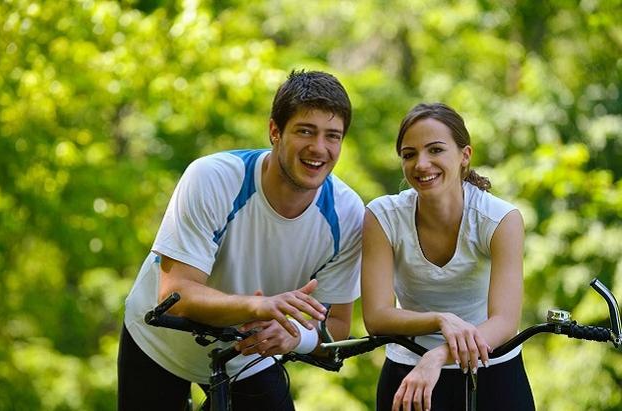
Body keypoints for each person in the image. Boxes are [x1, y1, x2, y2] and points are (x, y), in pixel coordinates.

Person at [118, 70, 364, 410]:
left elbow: (336, 325)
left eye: (332, 136)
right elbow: (175, 296)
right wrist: (257, 305)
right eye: (305, 131)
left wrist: (296, 336)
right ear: (275, 131)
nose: (319, 148)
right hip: (159, 341)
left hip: (246, 355)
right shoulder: (213, 178)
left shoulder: (348, 214)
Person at [361, 102, 535, 411]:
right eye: (409, 154)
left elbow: (505, 322)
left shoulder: (499, 219)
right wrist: (442, 320)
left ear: (464, 155)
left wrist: (439, 355)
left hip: (493, 369)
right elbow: (376, 317)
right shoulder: (382, 216)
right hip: (408, 372)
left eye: (436, 150)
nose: (421, 164)